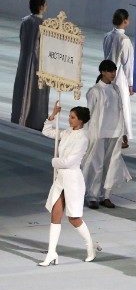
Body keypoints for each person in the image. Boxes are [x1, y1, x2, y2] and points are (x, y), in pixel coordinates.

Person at [39, 102, 100, 266]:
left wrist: (54, 161)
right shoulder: (66, 132)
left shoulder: (83, 138)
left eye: (72, 117)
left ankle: (90, 246)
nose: (69, 120)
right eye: (69, 116)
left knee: (74, 218)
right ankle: (52, 252)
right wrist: (52, 115)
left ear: (80, 120)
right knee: (55, 215)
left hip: (73, 180)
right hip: (61, 180)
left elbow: (69, 162)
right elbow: (47, 132)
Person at [82, 60, 132, 209]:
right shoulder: (95, 91)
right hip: (98, 133)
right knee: (97, 165)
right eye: (110, 71)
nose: (113, 74)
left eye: (114, 71)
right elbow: (88, 114)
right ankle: (92, 195)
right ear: (103, 72)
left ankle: (106, 196)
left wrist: (123, 133)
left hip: (115, 132)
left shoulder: (116, 89)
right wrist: (83, 134)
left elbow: (120, 110)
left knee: (111, 165)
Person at [11, 0, 50, 131]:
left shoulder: (25, 21)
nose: (46, 7)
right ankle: (34, 120)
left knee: (22, 88)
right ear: (41, 6)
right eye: (45, 4)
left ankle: (20, 116)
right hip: (37, 64)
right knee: (35, 91)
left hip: (24, 62)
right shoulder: (43, 25)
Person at [103, 9, 134, 148]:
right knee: (122, 107)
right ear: (125, 21)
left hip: (105, 75)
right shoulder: (124, 40)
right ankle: (121, 136)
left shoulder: (107, 36)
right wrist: (130, 83)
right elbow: (127, 63)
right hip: (119, 76)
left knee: (108, 105)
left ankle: (108, 133)